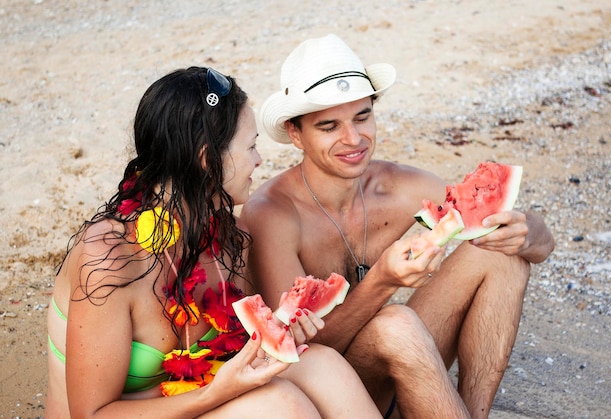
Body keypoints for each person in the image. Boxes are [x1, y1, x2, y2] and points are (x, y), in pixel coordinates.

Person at [241, 34, 555, 419]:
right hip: (326, 395)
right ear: (295, 133)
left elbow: (540, 245)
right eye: (329, 127)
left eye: (362, 117)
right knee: (394, 323)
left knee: (502, 256)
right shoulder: (271, 214)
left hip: (400, 364)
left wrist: (527, 231)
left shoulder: (399, 186)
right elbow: (295, 349)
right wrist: (383, 281)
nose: (354, 139)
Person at [45, 66, 382, 418]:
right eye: (251, 146)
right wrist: (217, 393)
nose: (259, 160)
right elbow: (92, 415)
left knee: (321, 365)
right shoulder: (110, 259)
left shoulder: (229, 236)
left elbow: (228, 357)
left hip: (203, 394)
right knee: (282, 405)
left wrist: (280, 330)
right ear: (208, 160)